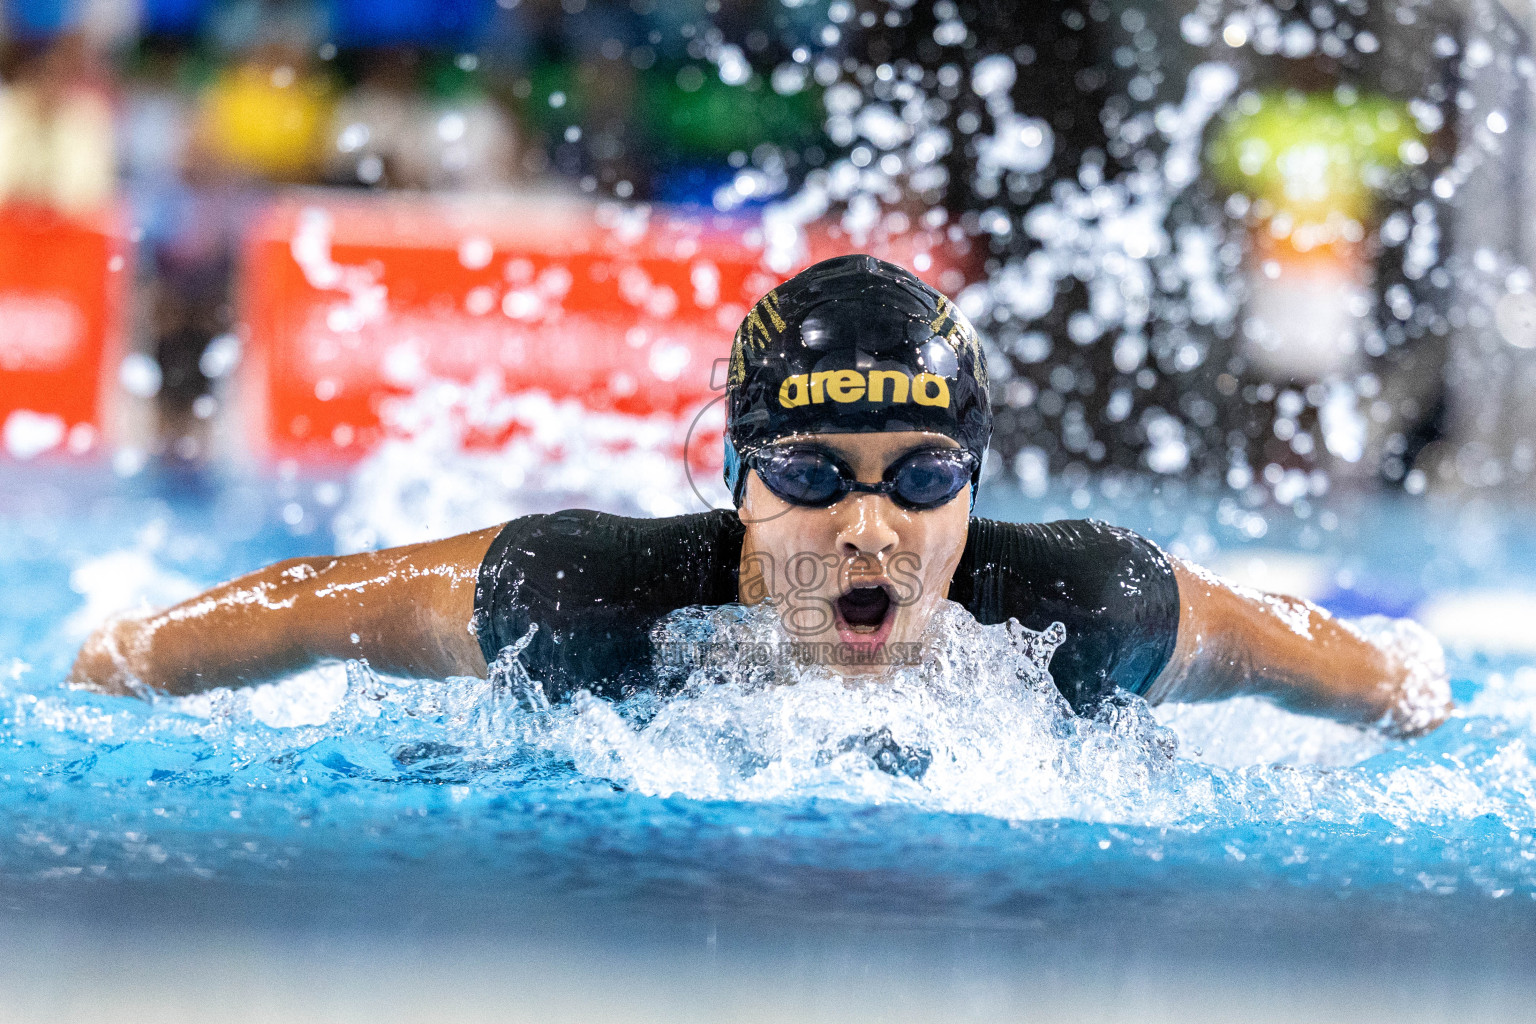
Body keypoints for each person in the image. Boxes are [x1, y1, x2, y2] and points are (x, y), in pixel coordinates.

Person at [70, 255, 1451, 737]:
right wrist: (112, 658)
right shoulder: (581, 602)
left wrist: (1414, 682)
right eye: (808, 478)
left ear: (975, 488)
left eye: (922, 481)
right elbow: (321, 606)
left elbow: (1365, 675)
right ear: (735, 478)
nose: (868, 529)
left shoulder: (1087, 611)